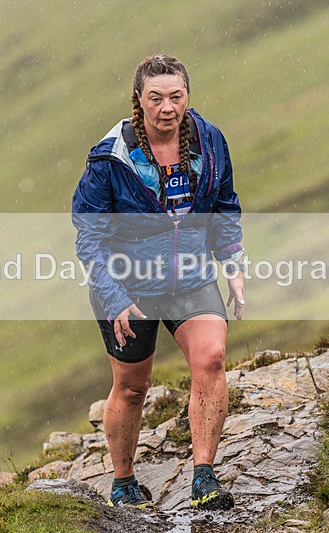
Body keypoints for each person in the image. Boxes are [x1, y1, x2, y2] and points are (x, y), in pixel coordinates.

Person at [72, 54, 247, 511]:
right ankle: (124, 482)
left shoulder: (209, 141)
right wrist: (114, 298)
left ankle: (204, 478)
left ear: (187, 96)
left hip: (191, 277)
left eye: (176, 96)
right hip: (128, 286)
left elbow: (224, 205)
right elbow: (89, 238)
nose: (167, 107)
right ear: (139, 100)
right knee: (132, 387)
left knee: (211, 359)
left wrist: (233, 263)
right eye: (156, 98)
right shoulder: (110, 157)